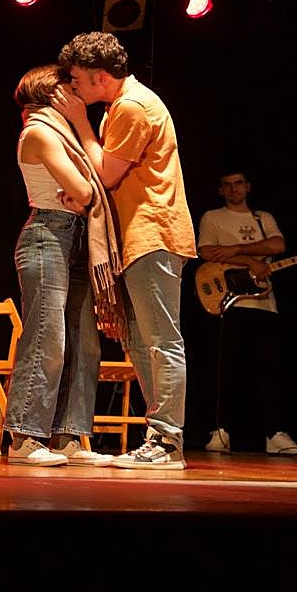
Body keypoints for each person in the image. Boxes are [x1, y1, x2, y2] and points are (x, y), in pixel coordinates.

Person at [54, 31, 196, 470]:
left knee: (161, 340)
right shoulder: (121, 106)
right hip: (136, 238)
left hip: (153, 234)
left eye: (78, 80)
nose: (73, 88)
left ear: (100, 77)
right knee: (139, 340)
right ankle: (160, 437)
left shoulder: (133, 106)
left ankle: (167, 441)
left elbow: (107, 174)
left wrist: (80, 122)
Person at [5, 65, 120, 467]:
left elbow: (89, 191)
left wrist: (85, 200)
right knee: (46, 338)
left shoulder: (65, 133)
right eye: (68, 87)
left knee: (83, 341)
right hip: (48, 237)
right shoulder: (39, 132)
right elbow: (85, 190)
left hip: (77, 238)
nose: (77, 93)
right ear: (52, 95)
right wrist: (84, 198)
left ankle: (68, 436)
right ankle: (24, 437)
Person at [197, 170, 297, 456]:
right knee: (225, 370)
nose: (234, 189)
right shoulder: (212, 218)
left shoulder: (262, 218)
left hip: (263, 303)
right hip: (228, 302)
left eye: (238, 183)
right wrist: (251, 261)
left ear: (248, 187)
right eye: (227, 185)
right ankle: (221, 431)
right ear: (221, 190)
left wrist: (235, 250)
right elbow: (207, 252)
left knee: (267, 370)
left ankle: (274, 433)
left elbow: (278, 245)